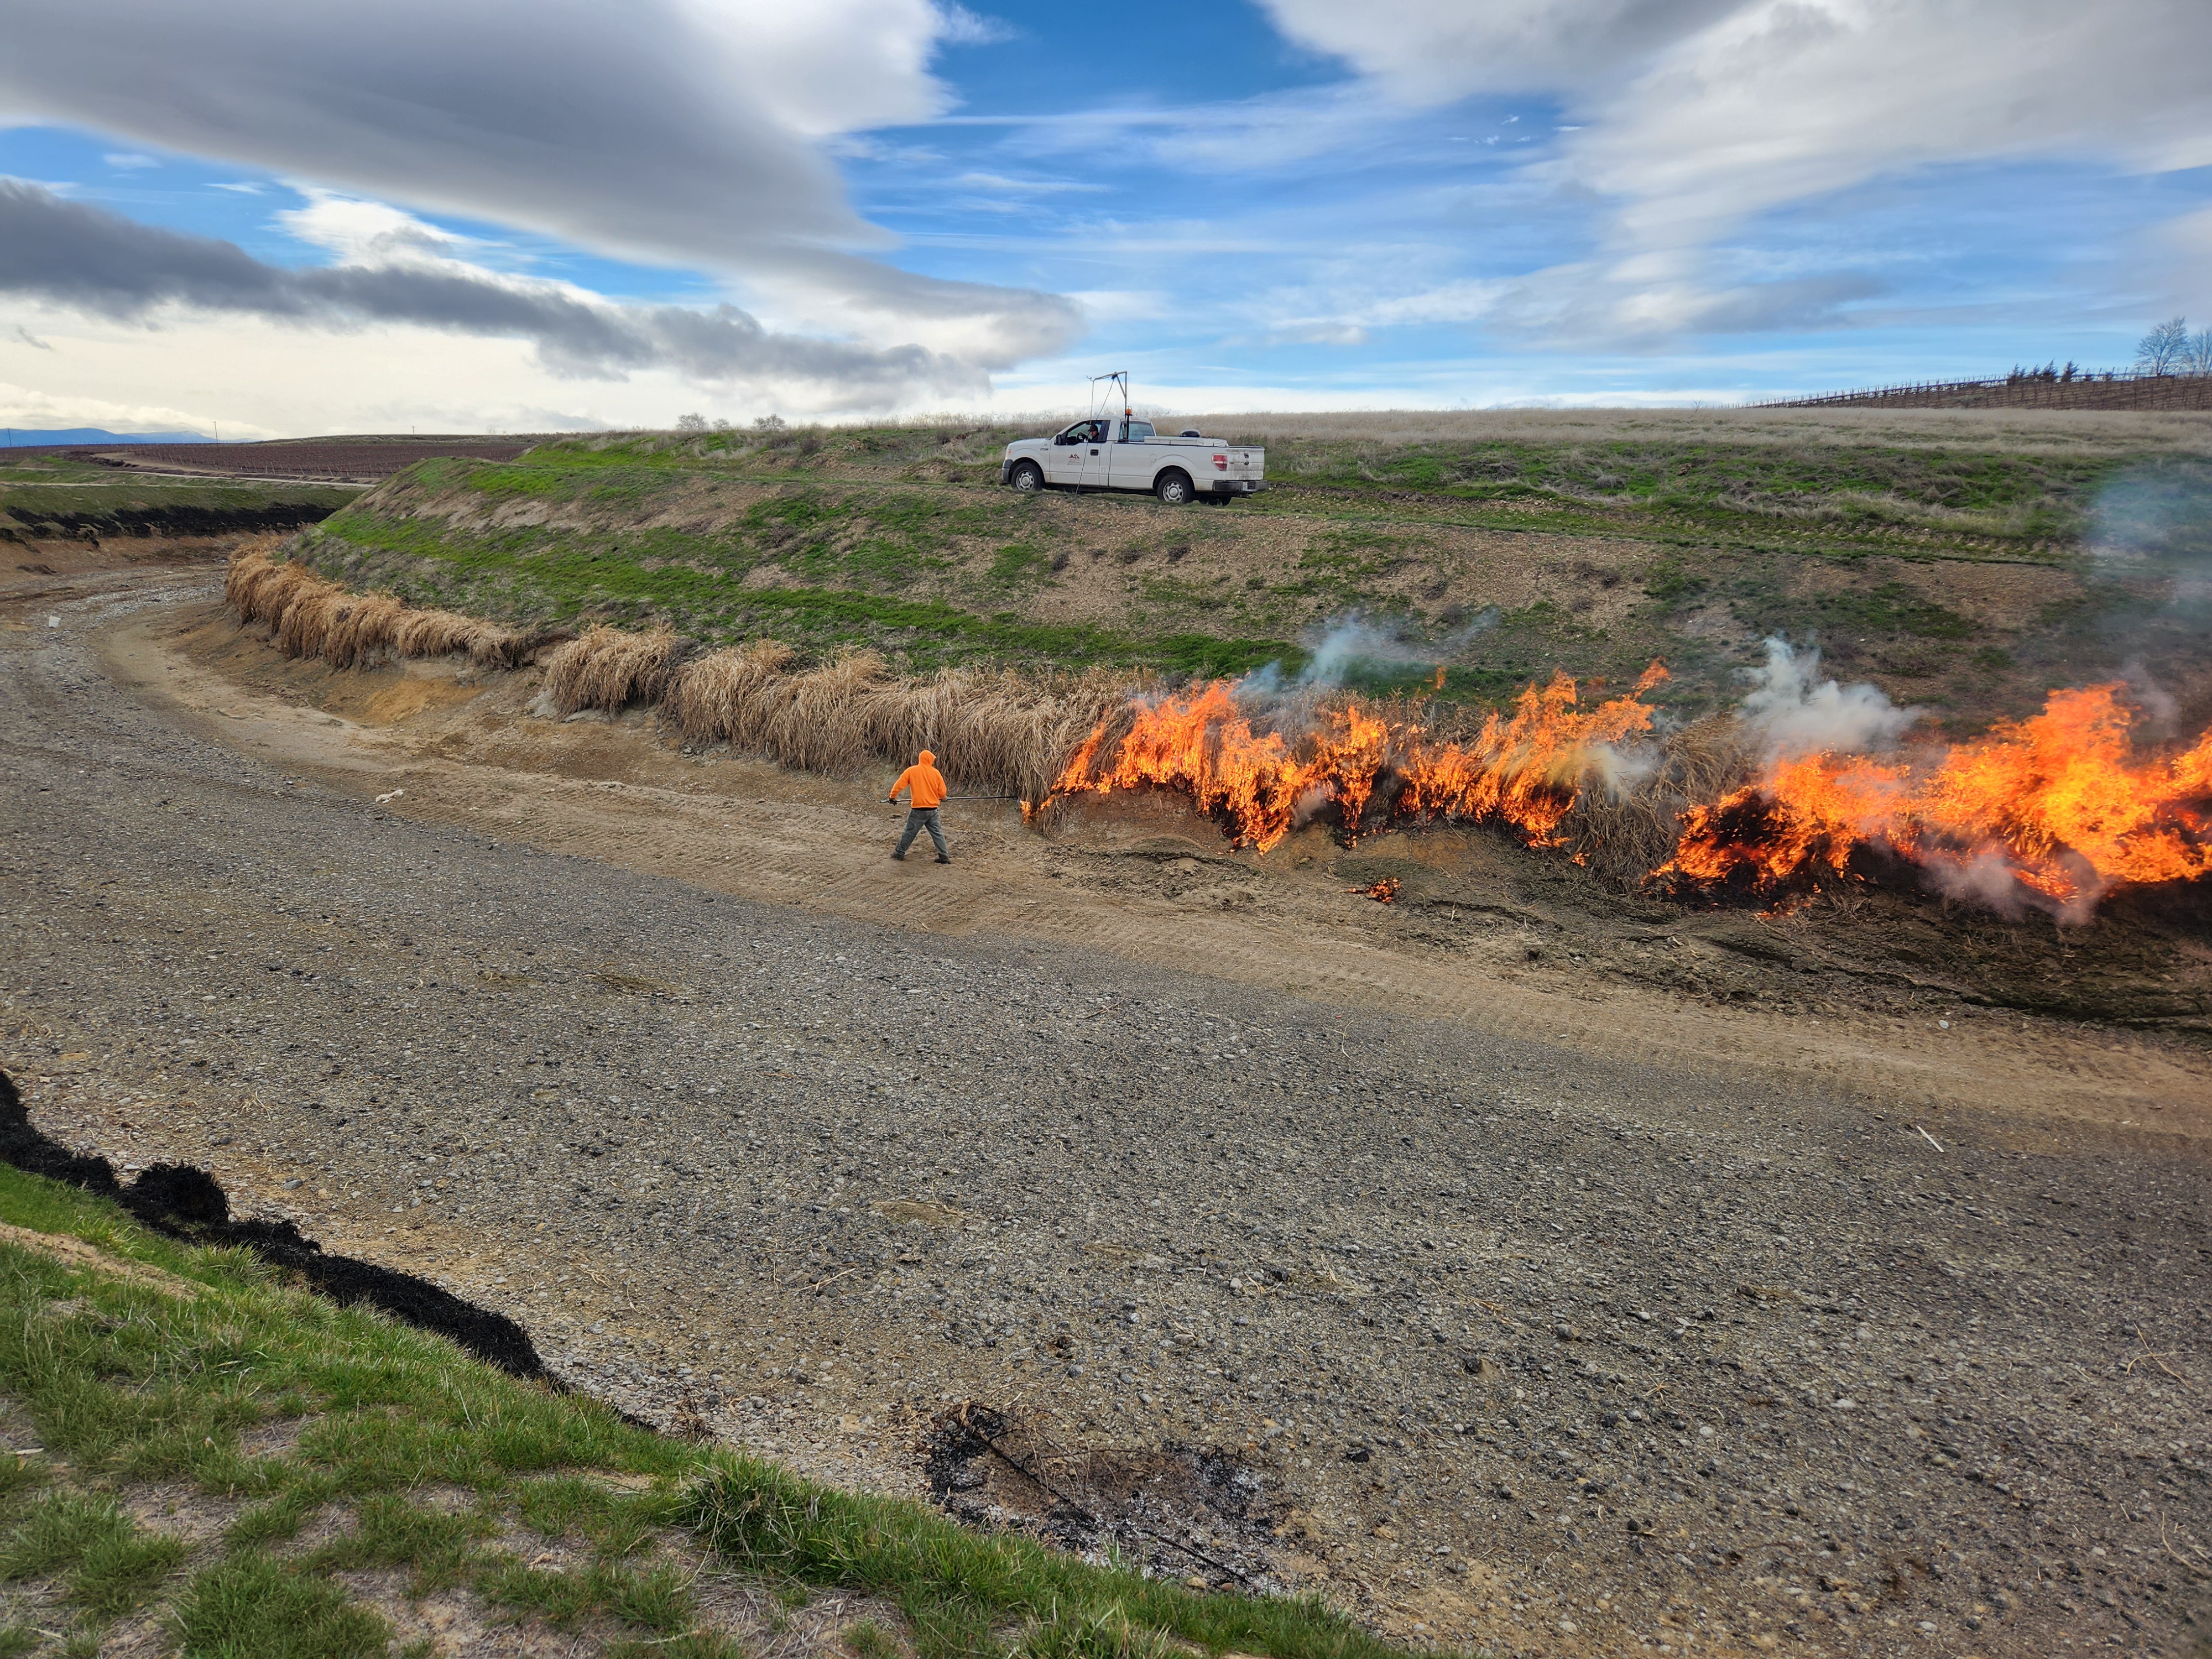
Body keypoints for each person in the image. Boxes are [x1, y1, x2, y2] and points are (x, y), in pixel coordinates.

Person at [888, 748, 950, 863]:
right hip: (933, 810)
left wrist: (892, 797)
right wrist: (944, 798)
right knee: (938, 833)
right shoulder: (936, 773)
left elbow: (899, 785)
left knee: (910, 832)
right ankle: (944, 856)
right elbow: (942, 792)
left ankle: (899, 853)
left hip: (918, 810)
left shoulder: (912, 771)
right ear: (930, 760)